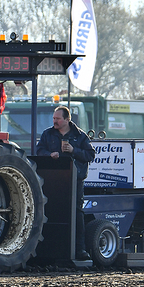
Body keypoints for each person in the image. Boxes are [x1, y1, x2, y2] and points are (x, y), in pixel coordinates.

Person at [36, 105, 95, 260]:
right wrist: (50, 155)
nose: (54, 121)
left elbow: (90, 155)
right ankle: (49, 248)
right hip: (52, 179)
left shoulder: (80, 136)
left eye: (58, 119)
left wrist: (73, 151)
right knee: (50, 211)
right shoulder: (47, 134)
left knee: (77, 213)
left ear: (67, 120)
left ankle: (79, 249)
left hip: (75, 181)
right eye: (54, 118)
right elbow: (39, 151)